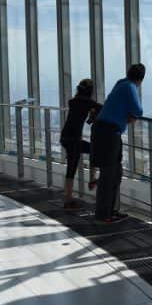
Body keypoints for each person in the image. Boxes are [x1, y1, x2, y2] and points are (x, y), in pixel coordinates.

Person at [92, 64, 145, 222]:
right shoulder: (130, 86)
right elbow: (138, 110)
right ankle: (103, 215)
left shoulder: (121, 83)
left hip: (105, 131)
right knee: (109, 175)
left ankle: (110, 210)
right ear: (141, 79)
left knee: (115, 173)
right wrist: (132, 116)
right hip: (109, 134)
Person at [59, 79, 101, 209]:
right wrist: (93, 113)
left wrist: (91, 112)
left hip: (66, 137)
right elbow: (102, 108)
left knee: (71, 168)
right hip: (74, 139)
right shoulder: (88, 102)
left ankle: (68, 199)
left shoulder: (74, 101)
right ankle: (92, 180)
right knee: (95, 150)